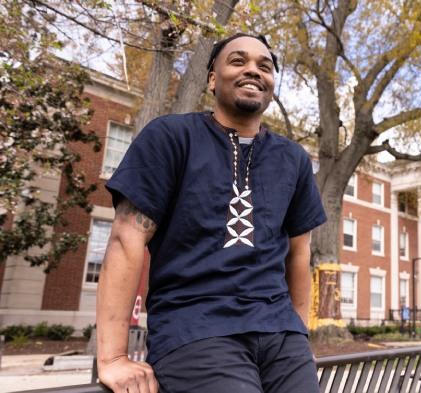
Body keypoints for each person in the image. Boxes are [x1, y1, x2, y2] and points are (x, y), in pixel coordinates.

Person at [96, 33, 327, 393]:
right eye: (238, 61)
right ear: (212, 79)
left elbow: (299, 254)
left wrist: (298, 334)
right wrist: (113, 358)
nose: (253, 70)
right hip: (196, 329)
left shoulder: (293, 159)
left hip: (281, 336)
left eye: (264, 66)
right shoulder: (170, 137)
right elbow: (127, 239)